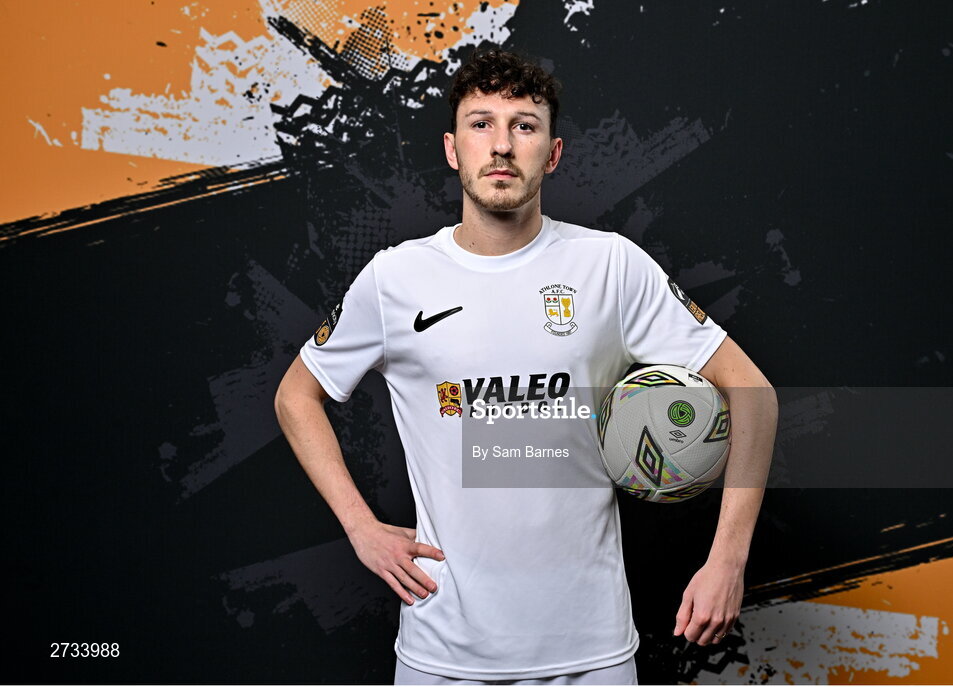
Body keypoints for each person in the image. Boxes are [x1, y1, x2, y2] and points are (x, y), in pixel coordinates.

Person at [274, 48, 777, 685]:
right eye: (481, 124)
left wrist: (727, 560)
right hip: (444, 653)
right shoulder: (396, 279)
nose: (503, 146)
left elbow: (753, 392)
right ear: (453, 149)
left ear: (554, 151)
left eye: (525, 125)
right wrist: (360, 527)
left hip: (591, 651)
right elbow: (296, 396)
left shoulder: (611, 267)